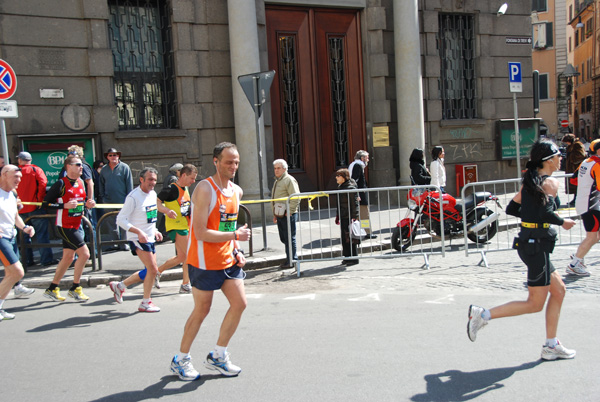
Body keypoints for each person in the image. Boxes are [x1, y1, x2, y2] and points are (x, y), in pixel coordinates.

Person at [467, 140, 578, 361]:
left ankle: (551, 345)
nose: (561, 159)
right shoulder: (550, 183)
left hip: (532, 243)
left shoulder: (532, 182)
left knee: (559, 290)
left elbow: (512, 208)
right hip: (535, 246)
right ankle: (482, 315)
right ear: (548, 160)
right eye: (558, 156)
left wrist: (531, 220)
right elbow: (546, 213)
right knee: (535, 304)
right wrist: (561, 221)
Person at [170, 142, 251, 381]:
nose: (233, 166)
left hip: (228, 261)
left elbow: (228, 226)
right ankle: (181, 359)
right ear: (215, 161)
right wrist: (235, 236)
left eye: (236, 162)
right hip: (203, 262)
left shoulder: (237, 191)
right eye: (228, 162)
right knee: (202, 311)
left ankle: (218, 355)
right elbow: (202, 232)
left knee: (240, 304)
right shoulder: (205, 189)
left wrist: (236, 249)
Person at [108, 168, 175, 312]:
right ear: (141, 180)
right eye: (150, 179)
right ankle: (145, 302)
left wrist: (155, 230)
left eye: (155, 180)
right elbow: (120, 219)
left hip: (149, 237)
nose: (153, 183)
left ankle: (119, 286)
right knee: (152, 269)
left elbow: (149, 216)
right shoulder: (133, 197)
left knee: (151, 270)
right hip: (137, 238)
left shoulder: (152, 194)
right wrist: (138, 232)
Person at [41, 155, 96, 302]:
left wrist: (88, 204)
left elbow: (80, 202)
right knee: (85, 254)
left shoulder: (80, 183)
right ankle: (75, 288)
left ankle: (52, 288)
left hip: (77, 224)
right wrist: (63, 206)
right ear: (68, 167)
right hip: (65, 225)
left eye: (82, 165)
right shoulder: (61, 184)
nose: (81, 167)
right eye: (78, 164)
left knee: (68, 258)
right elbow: (45, 204)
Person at [0, 165, 36, 320]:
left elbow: (15, 217)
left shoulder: (13, 194)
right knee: (17, 272)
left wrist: (25, 227)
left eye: (20, 177)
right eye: (15, 176)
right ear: (4, 175)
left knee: (10, 274)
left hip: (11, 236)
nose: (18, 180)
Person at [155, 163, 198, 293]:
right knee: (187, 256)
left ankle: (157, 272)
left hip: (186, 225)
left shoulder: (186, 189)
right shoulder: (171, 189)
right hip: (177, 226)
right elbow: (156, 202)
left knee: (181, 257)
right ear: (183, 175)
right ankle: (185, 284)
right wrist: (166, 210)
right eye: (192, 178)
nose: (194, 181)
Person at [16, 151, 56, 266]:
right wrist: (39, 201)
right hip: (35, 207)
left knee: (23, 236)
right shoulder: (36, 170)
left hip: (20, 209)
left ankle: (27, 260)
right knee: (42, 234)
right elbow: (43, 184)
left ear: (20, 160)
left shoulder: (15, 171)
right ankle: (46, 260)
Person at [567, 139, 600, 277]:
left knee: (595, 236)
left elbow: (573, 179)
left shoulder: (586, 162)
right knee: (592, 237)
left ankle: (578, 255)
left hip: (586, 203)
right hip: (591, 205)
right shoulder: (597, 164)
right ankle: (574, 264)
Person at [98, 147, 133, 250]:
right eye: (110, 155)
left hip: (123, 201)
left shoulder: (124, 167)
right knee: (111, 223)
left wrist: (129, 199)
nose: (113, 157)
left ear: (118, 156)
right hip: (108, 201)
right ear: (107, 157)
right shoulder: (104, 169)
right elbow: (101, 184)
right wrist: (103, 197)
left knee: (123, 222)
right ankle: (114, 243)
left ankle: (124, 243)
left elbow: (129, 184)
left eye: (115, 155)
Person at [271, 159, 300, 268]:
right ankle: (289, 258)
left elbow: (296, 197)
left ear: (284, 169)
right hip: (280, 214)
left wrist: (290, 211)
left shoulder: (289, 180)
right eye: (275, 168)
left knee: (289, 238)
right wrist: (275, 214)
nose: (276, 170)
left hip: (288, 214)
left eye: (279, 168)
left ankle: (292, 260)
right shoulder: (277, 181)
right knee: (284, 238)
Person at [349, 150, 376, 239]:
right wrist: (357, 194)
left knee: (357, 214)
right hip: (359, 194)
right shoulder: (358, 166)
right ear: (362, 158)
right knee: (364, 214)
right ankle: (367, 232)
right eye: (367, 158)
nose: (368, 160)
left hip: (357, 193)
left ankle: (358, 232)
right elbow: (354, 181)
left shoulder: (354, 164)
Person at [335, 168, 360, 265]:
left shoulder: (350, 188)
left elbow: (354, 204)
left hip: (349, 216)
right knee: (344, 237)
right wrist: (338, 215)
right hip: (343, 215)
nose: (336, 178)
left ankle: (354, 258)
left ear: (344, 177)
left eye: (338, 176)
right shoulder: (341, 187)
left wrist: (355, 216)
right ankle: (347, 257)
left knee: (351, 238)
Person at [561, 134, 586, 206]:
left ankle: (577, 200)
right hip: (571, 168)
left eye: (566, 142)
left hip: (575, 168)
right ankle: (575, 199)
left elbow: (581, 155)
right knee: (574, 185)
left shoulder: (577, 145)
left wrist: (572, 159)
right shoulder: (571, 146)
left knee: (577, 184)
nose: (566, 143)